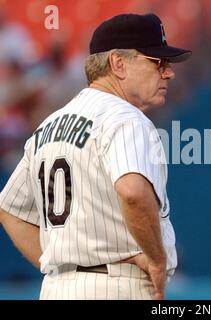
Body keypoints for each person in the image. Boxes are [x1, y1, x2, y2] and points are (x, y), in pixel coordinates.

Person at [0, 13, 191, 300]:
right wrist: (156, 259)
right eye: (157, 62)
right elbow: (132, 192)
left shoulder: (48, 125)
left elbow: (9, 211)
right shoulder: (126, 118)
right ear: (118, 63)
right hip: (116, 286)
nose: (168, 72)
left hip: (56, 289)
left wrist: (57, 263)